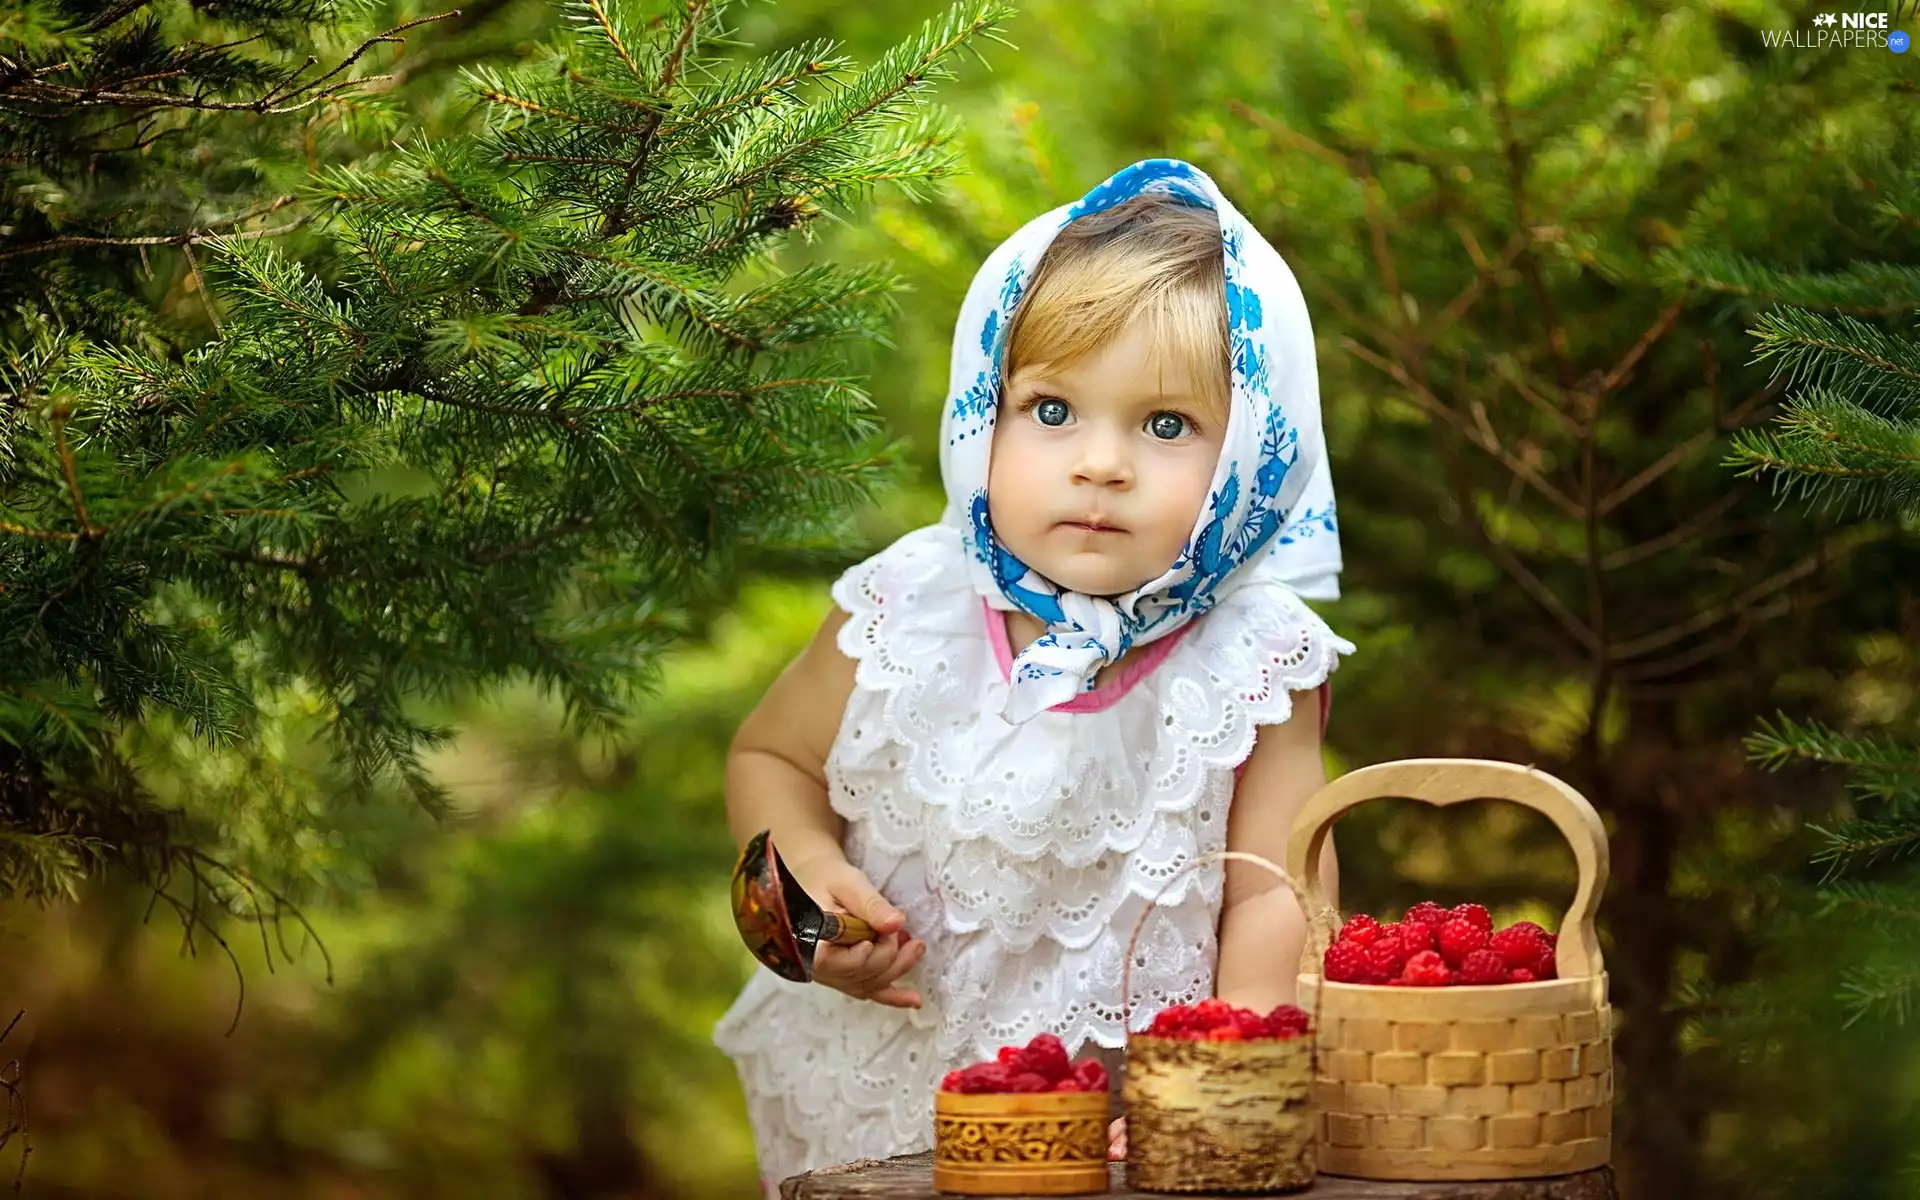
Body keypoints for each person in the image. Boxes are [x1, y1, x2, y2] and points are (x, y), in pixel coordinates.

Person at [712, 158, 1353, 1194]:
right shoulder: (910, 600)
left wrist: (1225, 1081)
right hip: (873, 1091)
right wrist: (800, 896)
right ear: (983, 412)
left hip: (1116, 1128)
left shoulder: (1254, 656)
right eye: (1052, 411)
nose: (1102, 464)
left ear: (1253, 459)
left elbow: (1276, 894)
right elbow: (770, 755)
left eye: (1166, 425)